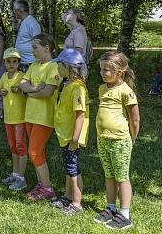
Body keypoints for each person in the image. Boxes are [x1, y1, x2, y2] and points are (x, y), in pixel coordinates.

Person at [94, 51, 140, 230]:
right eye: (101, 69)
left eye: (107, 70)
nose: (103, 73)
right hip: (103, 139)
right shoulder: (102, 89)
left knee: (122, 177)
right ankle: (110, 207)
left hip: (120, 141)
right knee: (109, 174)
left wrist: (132, 137)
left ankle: (125, 214)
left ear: (120, 72)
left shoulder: (126, 91)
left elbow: (134, 118)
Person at [19, 33, 62, 201]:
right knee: (38, 152)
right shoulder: (34, 65)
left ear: (46, 48)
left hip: (44, 117)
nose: (33, 51)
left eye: (35, 47)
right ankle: (41, 183)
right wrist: (35, 89)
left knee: (34, 151)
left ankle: (47, 188)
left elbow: (48, 92)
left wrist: (30, 91)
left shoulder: (53, 67)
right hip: (30, 115)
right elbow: (22, 84)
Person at [50, 48, 90, 215]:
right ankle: (67, 196)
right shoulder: (68, 84)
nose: (57, 68)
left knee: (73, 169)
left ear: (66, 66)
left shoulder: (78, 88)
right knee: (69, 167)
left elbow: (80, 115)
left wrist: (75, 138)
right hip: (65, 134)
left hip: (71, 136)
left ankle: (76, 203)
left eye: (59, 65)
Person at [0, 47, 28, 191]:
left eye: (14, 61)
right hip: (8, 118)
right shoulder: (4, 76)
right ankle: (15, 173)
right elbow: (0, 88)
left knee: (21, 146)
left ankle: (22, 178)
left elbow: (26, 91)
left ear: (18, 62)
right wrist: (2, 91)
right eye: (8, 61)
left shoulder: (22, 76)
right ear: (4, 63)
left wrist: (21, 90)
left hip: (20, 118)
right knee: (13, 146)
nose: (11, 64)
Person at [13, 0, 41, 72]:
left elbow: (38, 42)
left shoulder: (32, 23)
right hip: (23, 62)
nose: (14, 12)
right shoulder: (23, 22)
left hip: (31, 63)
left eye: (15, 10)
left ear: (19, 10)